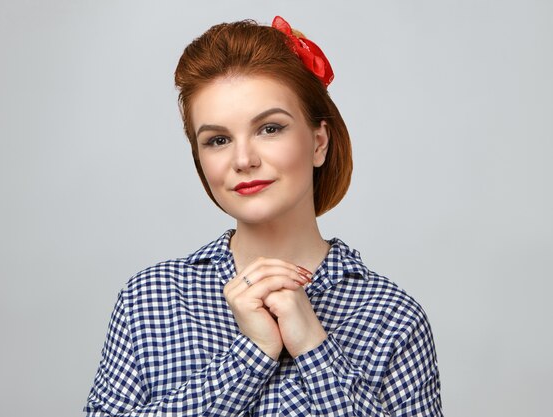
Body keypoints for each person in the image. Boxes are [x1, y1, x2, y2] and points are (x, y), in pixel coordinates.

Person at [84, 16, 442, 416]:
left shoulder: (391, 316)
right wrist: (249, 357)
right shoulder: (150, 300)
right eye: (218, 140)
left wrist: (313, 345)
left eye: (270, 129)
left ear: (319, 142)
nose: (243, 160)